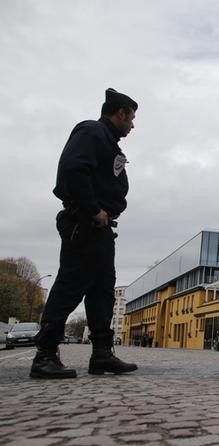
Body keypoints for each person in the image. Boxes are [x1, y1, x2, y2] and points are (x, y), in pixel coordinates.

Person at [30, 88, 140, 379]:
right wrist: (94, 210)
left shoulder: (109, 142)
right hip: (86, 223)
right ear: (121, 114)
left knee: (103, 292)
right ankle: (44, 355)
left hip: (101, 230)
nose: (133, 125)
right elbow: (72, 170)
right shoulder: (92, 132)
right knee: (70, 286)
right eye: (132, 118)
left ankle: (102, 354)